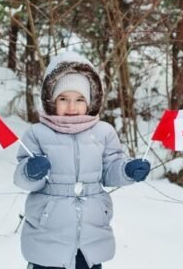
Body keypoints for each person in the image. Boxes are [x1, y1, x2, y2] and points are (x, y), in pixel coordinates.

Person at [14, 51, 151, 269]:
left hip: (91, 234)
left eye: (79, 99)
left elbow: (110, 169)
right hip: (48, 235)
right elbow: (22, 179)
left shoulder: (104, 132)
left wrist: (127, 170)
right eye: (63, 99)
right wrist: (30, 171)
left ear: (90, 102)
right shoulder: (38, 133)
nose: (71, 107)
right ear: (51, 101)